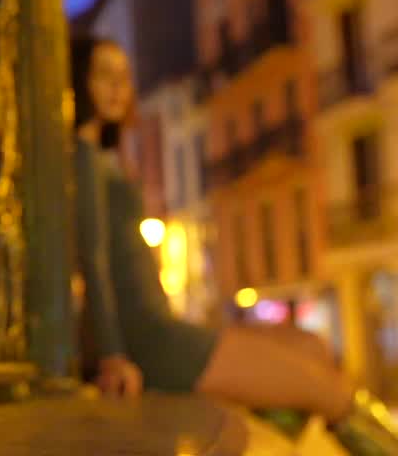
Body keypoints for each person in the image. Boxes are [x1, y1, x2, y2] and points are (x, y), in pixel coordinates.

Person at [70, 34, 398, 455]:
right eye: (103, 75)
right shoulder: (83, 156)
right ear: (79, 82)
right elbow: (93, 261)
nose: (118, 87)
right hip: (151, 340)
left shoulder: (104, 159)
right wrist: (112, 355)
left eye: (123, 76)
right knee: (328, 391)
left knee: (312, 347)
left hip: (163, 327)